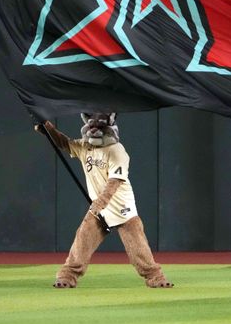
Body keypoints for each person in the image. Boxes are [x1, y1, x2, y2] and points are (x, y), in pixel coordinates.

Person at [35, 112, 173, 288]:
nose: (94, 129)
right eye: (92, 126)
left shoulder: (117, 150)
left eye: (99, 126)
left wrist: (100, 203)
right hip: (99, 209)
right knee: (82, 239)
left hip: (122, 206)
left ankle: (156, 277)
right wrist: (47, 128)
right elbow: (64, 143)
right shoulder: (86, 147)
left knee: (138, 246)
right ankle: (67, 277)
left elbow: (114, 182)